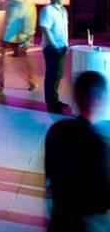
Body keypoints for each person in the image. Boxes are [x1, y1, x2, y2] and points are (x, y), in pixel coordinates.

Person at [45, 71, 110, 232]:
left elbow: (50, 177)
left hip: (59, 220)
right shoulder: (98, 143)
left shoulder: (56, 130)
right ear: (100, 100)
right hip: (85, 225)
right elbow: (101, 200)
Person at [0, 0, 36, 97]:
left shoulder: (24, 4)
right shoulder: (15, 2)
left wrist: (26, 39)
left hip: (16, 37)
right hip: (8, 36)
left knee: (20, 62)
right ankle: (0, 86)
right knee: (5, 62)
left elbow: (29, 25)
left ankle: (30, 81)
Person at [39, 0, 70, 114]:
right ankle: (51, 103)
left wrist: (66, 44)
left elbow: (64, 29)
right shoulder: (47, 10)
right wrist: (54, 45)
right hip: (52, 48)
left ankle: (55, 100)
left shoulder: (63, 10)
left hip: (62, 46)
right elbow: (45, 29)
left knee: (58, 75)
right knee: (52, 75)